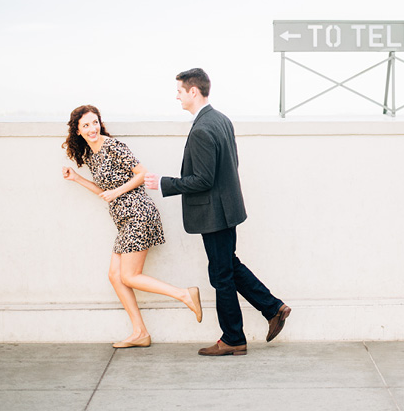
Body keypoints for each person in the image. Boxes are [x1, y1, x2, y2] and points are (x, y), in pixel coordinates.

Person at [144, 68, 290, 356]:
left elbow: (203, 180)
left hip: (214, 213)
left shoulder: (201, 129)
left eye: (180, 91)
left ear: (193, 92)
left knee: (221, 275)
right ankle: (273, 308)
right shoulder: (220, 119)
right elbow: (230, 165)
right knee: (227, 267)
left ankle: (234, 337)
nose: (177, 96)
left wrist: (164, 183)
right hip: (227, 209)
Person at [62, 105, 203, 348]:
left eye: (95, 122)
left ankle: (184, 294)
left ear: (100, 123)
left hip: (138, 214)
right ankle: (140, 333)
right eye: (86, 125)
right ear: (78, 130)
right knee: (115, 277)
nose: (92, 128)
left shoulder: (113, 146)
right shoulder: (90, 155)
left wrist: (117, 190)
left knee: (129, 275)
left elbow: (142, 174)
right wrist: (77, 178)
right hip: (123, 219)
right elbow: (105, 193)